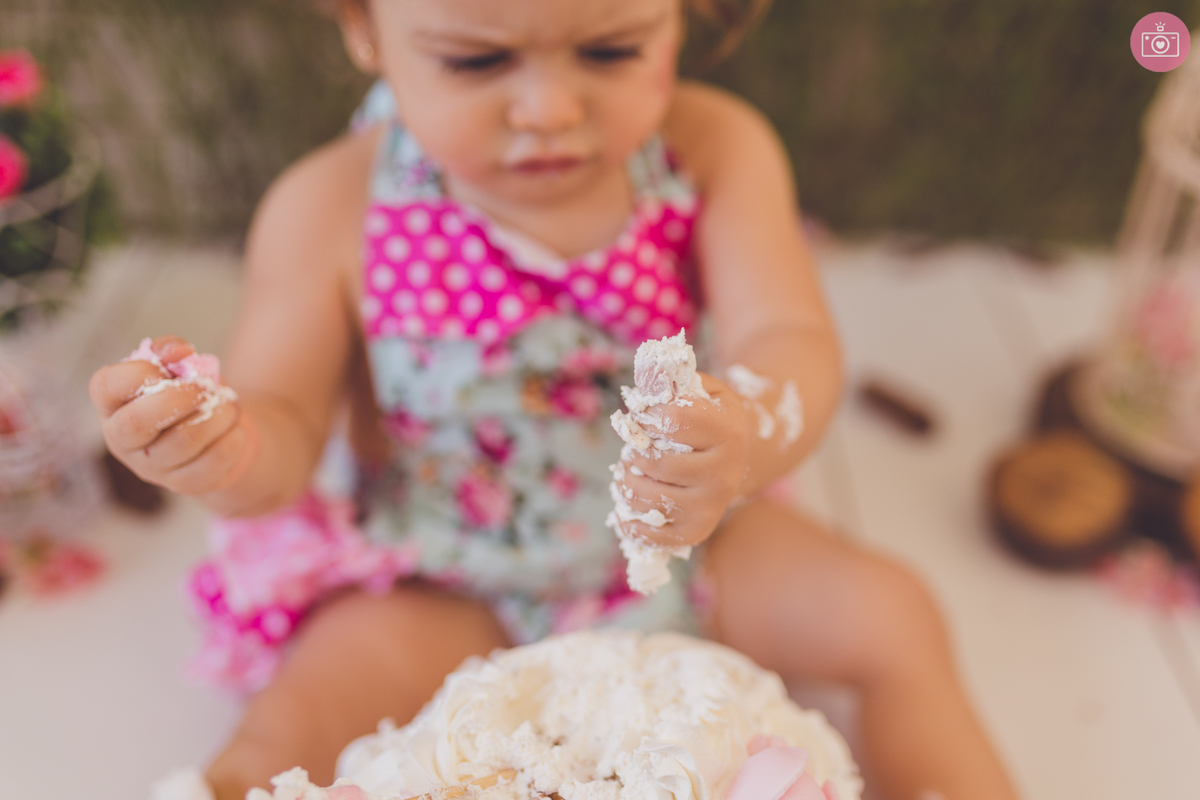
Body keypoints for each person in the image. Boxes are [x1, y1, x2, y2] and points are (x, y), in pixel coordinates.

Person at [88, 1, 1020, 798]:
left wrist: (745, 428)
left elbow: (791, 340)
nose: (549, 108)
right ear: (363, 26)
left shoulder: (713, 154)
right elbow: (281, 426)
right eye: (476, 59)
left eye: (611, 49)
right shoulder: (328, 207)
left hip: (686, 545)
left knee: (894, 615)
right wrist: (222, 449)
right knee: (282, 733)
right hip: (444, 574)